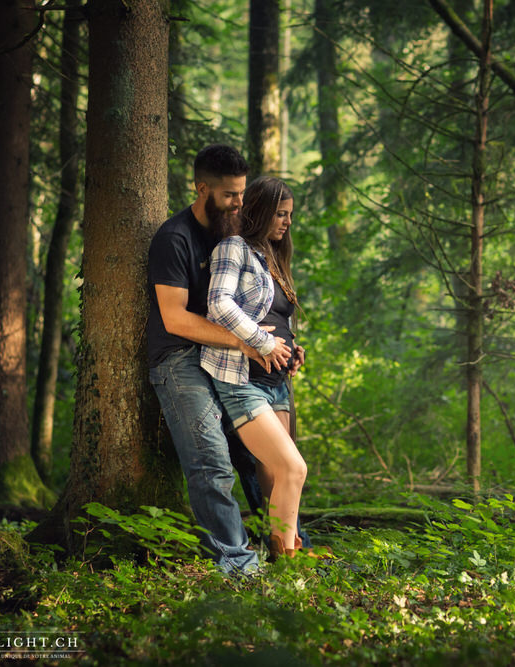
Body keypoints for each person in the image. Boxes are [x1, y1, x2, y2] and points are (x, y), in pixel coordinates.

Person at [146, 145, 291, 574]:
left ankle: (282, 545)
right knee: (211, 460)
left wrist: (282, 345)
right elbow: (175, 319)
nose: (239, 203)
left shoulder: (235, 236)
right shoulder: (175, 238)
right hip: (180, 360)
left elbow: (257, 303)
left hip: (229, 359)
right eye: (230, 195)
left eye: (242, 193)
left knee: (258, 455)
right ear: (202, 188)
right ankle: (240, 565)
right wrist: (245, 342)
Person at [201, 176, 309, 559]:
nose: (287, 222)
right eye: (281, 214)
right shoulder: (235, 249)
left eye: (290, 215)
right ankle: (288, 566)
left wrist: (292, 350)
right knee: (294, 470)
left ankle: (280, 555)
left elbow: (278, 318)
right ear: (260, 212)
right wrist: (263, 342)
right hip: (243, 381)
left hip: (277, 383)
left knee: (279, 477)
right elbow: (219, 303)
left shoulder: (274, 258)